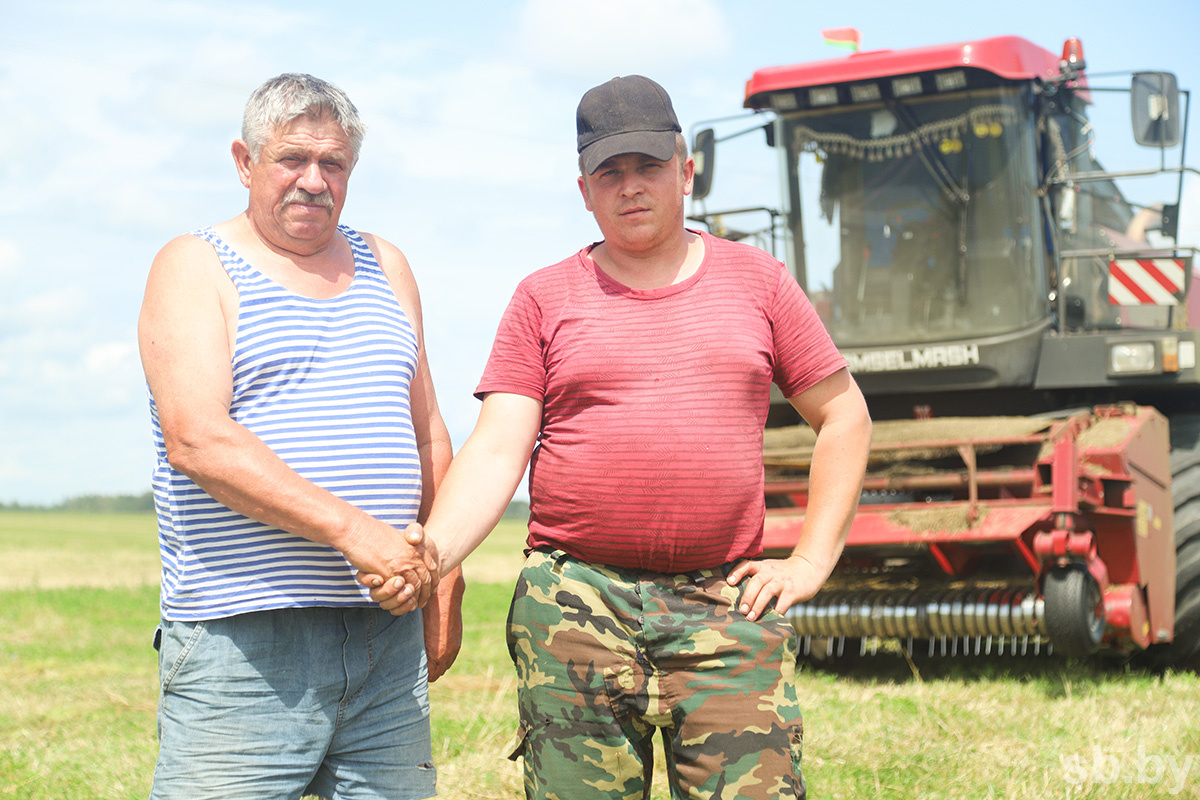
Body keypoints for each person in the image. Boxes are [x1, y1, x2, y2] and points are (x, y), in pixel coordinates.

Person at [366, 74, 872, 799]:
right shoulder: (543, 297)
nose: (631, 188)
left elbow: (844, 415)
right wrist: (432, 557)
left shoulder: (758, 282)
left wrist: (812, 560)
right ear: (584, 190)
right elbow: (499, 447)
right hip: (576, 606)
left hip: (726, 608)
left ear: (686, 170)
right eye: (611, 174)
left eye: (649, 168)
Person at [138, 73, 462, 800]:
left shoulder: (388, 264)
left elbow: (426, 432)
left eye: (334, 164)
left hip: (386, 640)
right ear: (244, 161)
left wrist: (446, 572)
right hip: (244, 644)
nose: (314, 181)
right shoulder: (193, 266)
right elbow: (198, 440)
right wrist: (356, 533)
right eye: (292, 159)